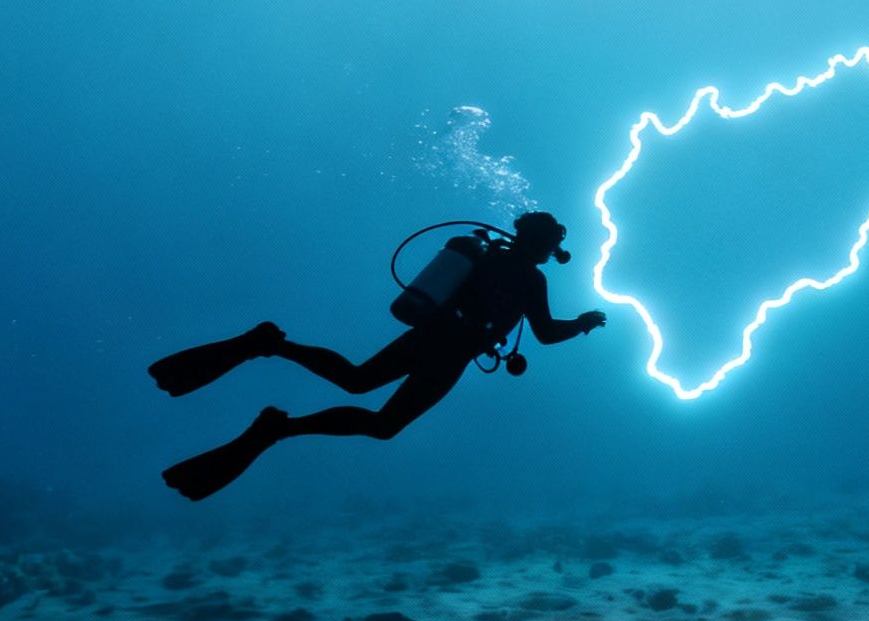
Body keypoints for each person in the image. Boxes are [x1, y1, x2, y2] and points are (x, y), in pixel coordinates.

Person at [152, 212, 607, 500]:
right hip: (450, 354)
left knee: (356, 379)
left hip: (428, 335)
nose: (553, 252)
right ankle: (279, 426)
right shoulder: (530, 279)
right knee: (384, 425)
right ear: (542, 243)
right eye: (552, 244)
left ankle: (270, 346)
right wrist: (583, 323)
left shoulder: (484, 257)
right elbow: (545, 334)